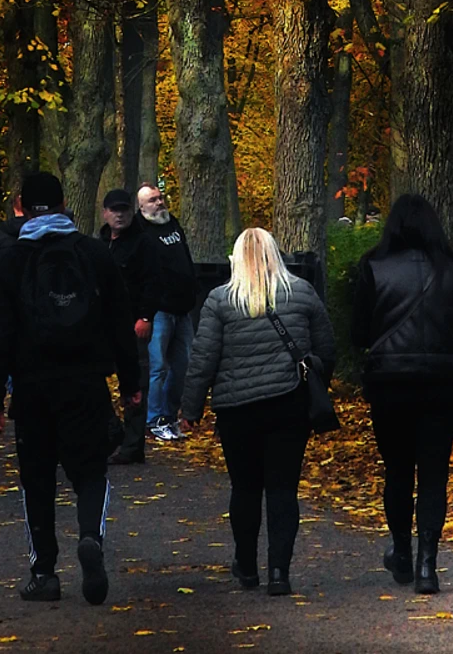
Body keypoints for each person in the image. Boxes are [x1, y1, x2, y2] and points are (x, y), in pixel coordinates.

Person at [0, 171, 143, 606]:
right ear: (63, 204)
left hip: (32, 387)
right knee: (90, 471)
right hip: (86, 381)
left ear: (20, 206)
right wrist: (131, 383)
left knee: (36, 479)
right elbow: (120, 323)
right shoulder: (93, 253)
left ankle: (44, 572)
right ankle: (90, 536)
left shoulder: (9, 259)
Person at [180, 227, 336, 597]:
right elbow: (327, 348)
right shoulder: (301, 292)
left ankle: (246, 566)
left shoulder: (220, 300)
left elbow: (203, 359)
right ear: (276, 253)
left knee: (245, 489)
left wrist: (191, 408)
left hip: (237, 410)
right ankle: (279, 571)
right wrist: (315, 382)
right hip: (289, 405)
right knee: (283, 490)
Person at [351, 194, 453, 595]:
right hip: (443, 380)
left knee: (398, 469)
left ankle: (402, 550)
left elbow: (359, 333)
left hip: (391, 381)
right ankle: (428, 564)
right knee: (434, 473)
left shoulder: (373, 266)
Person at [99, 188, 160, 465]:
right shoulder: (100, 242)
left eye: (124, 209)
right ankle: (110, 430)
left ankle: (133, 445)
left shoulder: (143, 243)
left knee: (134, 384)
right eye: (114, 210)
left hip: (133, 323)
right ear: (105, 213)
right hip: (102, 325)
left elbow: (152, 282)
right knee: (93, 378)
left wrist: (145, 317)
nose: (119, 215)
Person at [136, 183, 196, 442]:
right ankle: (154, 419)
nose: (159, 203)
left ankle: (170, 416)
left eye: (160, 198)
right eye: (152, 200)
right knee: (158, 366)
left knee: (183, 365)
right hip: (159, 310)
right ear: (141, 207)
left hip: (182, 308)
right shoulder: (140, 232)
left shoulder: (173, 224)